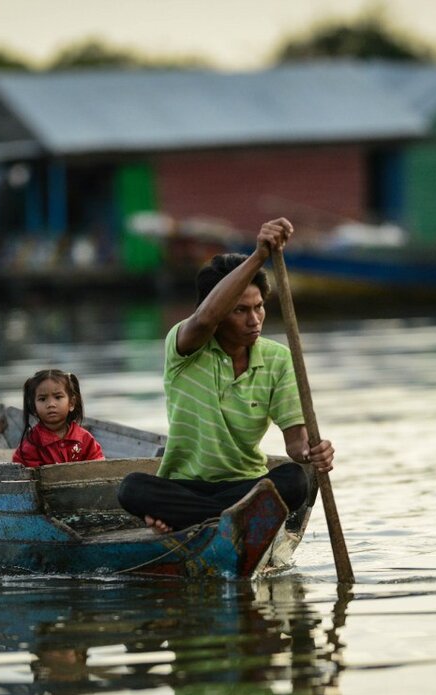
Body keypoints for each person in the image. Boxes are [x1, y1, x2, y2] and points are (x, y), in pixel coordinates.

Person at [117, 217, 334, 533]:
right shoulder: (185, 346)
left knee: (294, 480)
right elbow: (205, 319)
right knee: (132, 488)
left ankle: (201, 518)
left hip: (246, 486)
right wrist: (259, 255)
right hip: (186, 486)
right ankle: (231, 517)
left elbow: (296, 444)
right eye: (240, 310)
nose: (254, 320)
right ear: (219, 313)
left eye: (258, 307)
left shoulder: (277, 359)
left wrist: (313, 451)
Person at [13, 369, 105, 467]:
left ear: (71, 403)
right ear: (34, 407)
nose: (51, 404)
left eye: (58, 397)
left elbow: (99, 468)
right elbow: (27, 474)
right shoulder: (31, 444)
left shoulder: (85, 439)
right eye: (42, 399)